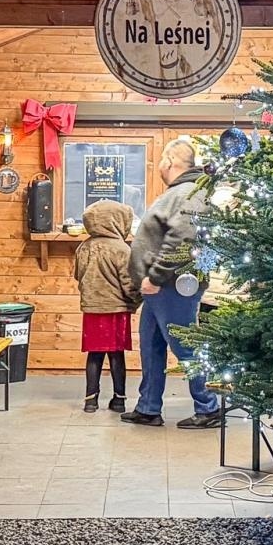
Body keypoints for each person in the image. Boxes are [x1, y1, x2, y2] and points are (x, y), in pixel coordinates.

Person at [120, 138, 222, 428]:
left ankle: (209, 408)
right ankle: (148, 408)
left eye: (163, 161)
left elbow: (183, 238)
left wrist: (156, 276)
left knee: (186, 347)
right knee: (151, 347)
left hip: (171, 286)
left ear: (171, 162)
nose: (160, 167)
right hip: (160, 289)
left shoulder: (189, 193)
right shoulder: (183, 192)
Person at [72, 200, 139, 413]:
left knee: (94, 354)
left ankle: (91, 401)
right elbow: (129, 282)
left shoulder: (84, 247)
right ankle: (119, 400)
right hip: (117, 310)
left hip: (92, 309)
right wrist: (136, 301)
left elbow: (77, 275)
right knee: (117, 355)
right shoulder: (121, 249)